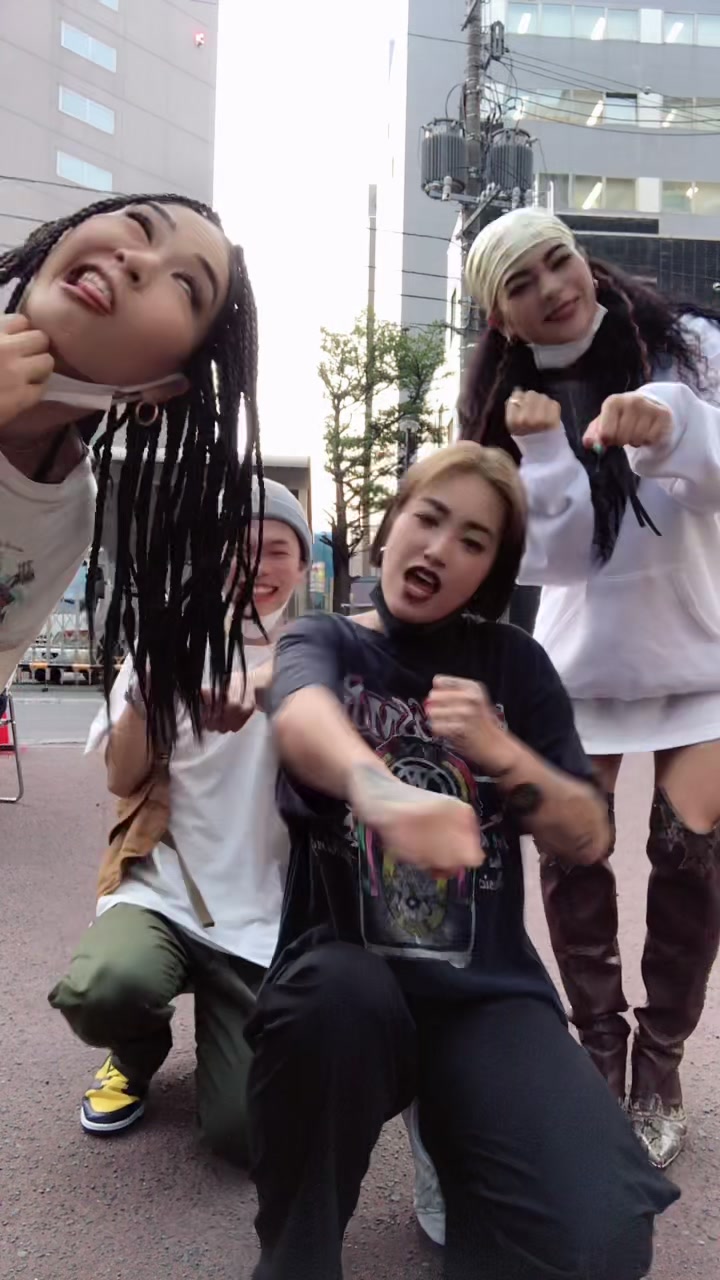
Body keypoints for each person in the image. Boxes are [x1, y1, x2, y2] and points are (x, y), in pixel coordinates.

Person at [245, 442, 677, 1280]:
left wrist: (501, 752)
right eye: (429, 519)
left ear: (491, 573)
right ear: (391, 528)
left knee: (598, 1242)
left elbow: (588, 835)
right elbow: (300, 717)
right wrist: (383, 793)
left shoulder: (515, 664)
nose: (441, 549)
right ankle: (297, 1256)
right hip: (348, 986)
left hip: (483, 997)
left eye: (474, 541)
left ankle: (467, 1165)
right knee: (331, 1002)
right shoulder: (323, 639)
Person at [460, 206, 720, 1170]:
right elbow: (554, 562)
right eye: (521, 284)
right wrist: (540, 452)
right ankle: (599, 1051)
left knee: (691, 854)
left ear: (584, 260)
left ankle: (661, 1065)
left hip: (704, 652)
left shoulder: (689, 346)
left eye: (556, 261)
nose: (552, 288)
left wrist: (674, 422)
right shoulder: (511, 403)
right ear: (502, 317)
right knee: (574, 852)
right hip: (583, 665)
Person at [49, 481, 310, 1165]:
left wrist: (265, 679)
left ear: (303, 565)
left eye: (276, 550)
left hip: (263, 911)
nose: (256, 567)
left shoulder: (318, 652)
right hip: (164, 887)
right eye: (240, 548)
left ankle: (233, 1040)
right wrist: (144, 688)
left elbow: (379, 626)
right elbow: (121, 777)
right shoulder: (170, 642)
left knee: (243, 1136)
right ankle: (135, 1051)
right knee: (105, 987)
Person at [0, 193, 262, 746]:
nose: (137, 260)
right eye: (139, 225)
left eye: (185, 285)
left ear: (160, 389)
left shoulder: (66, 512)